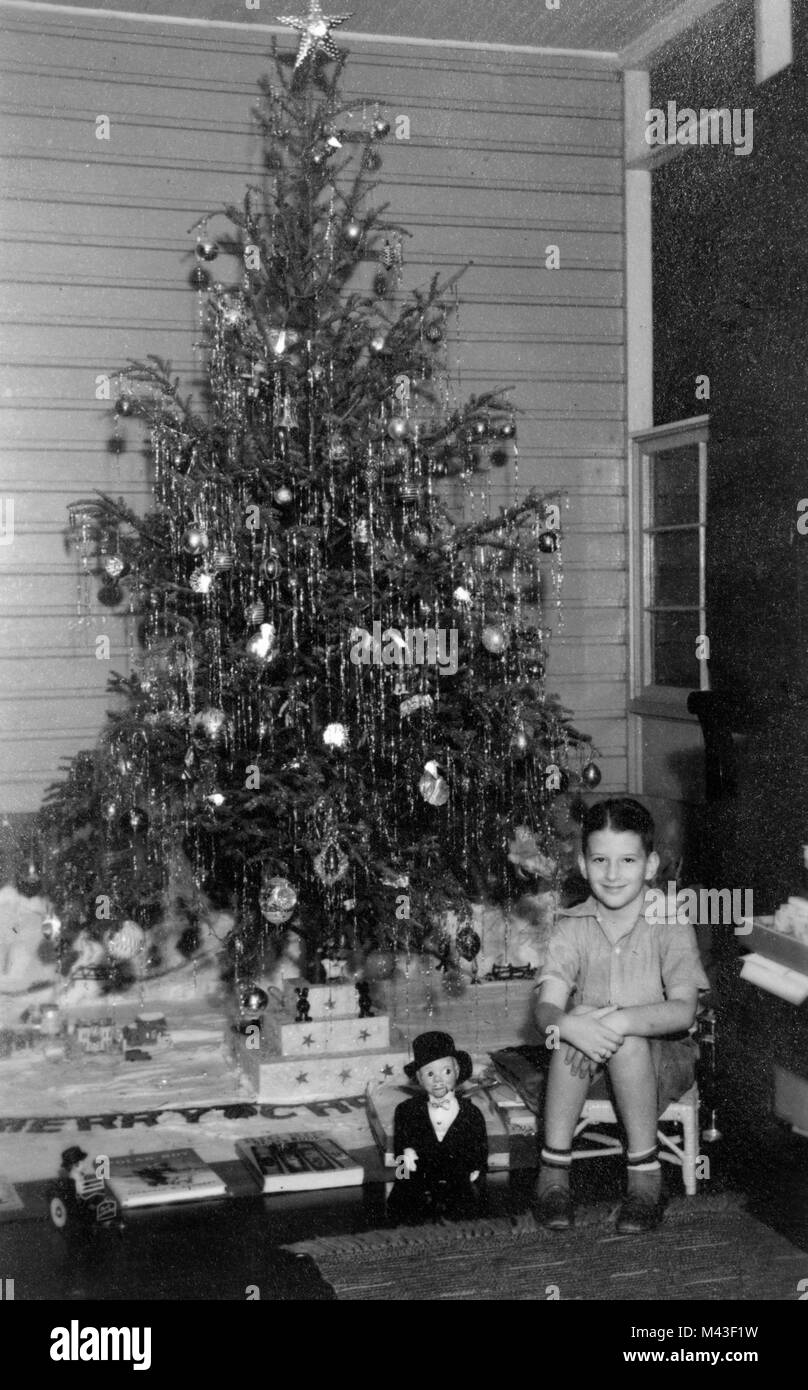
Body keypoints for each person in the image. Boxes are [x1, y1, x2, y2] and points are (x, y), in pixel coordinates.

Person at [533, 797, 709, 1234]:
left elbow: (684, 1010)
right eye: (600, 860)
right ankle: (553, 1173)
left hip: (661, 1059)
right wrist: (572, 1024)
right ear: (583, 863)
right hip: (587, 1061)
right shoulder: (571, 924)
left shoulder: (669, 921)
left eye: (627, 860)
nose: (613, 874)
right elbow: (546, 1008)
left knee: (621, 1034)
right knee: (573, 1025)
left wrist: (619, 1023)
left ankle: (645, 1174)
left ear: (650, 865)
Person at [387, 1030, 488, 1225]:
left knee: (467, 1211)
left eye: (446, 1071)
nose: (438, 1080)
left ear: (457, 1072)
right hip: (420, 1175)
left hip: (458, 1177)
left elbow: (480, 1145)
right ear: (419, 1078)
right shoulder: (406, 1110)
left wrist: (476, 1167)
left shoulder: (471, 1113)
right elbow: (401, 1142)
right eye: (430, 1074)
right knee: (406, 1207)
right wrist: (406, 1152)